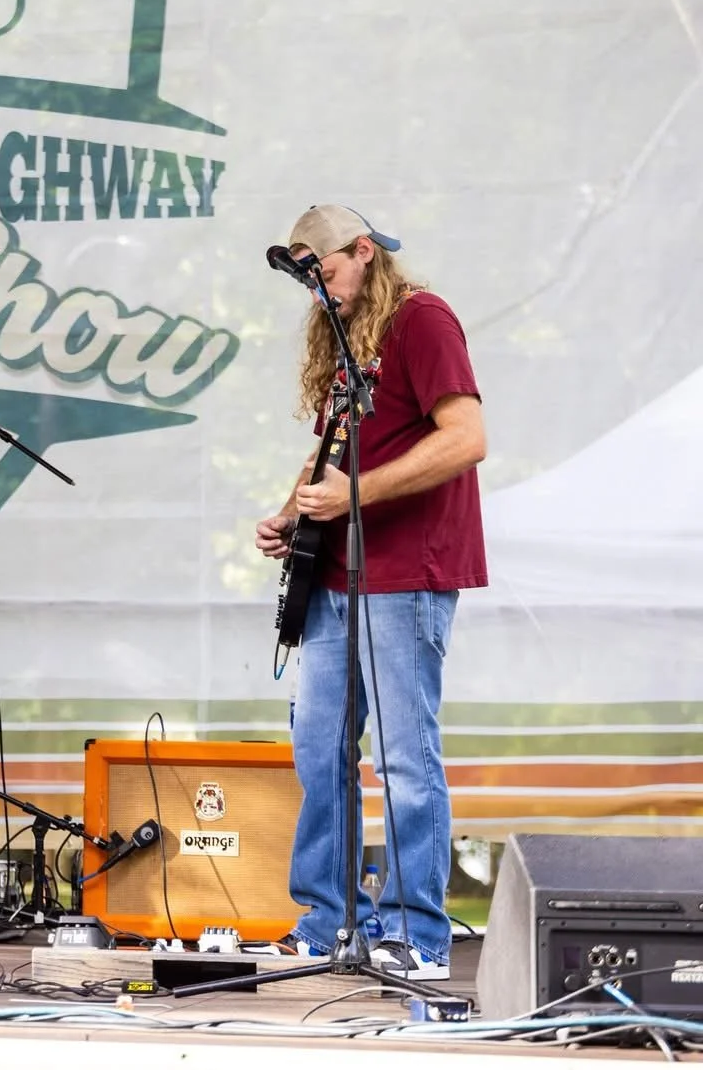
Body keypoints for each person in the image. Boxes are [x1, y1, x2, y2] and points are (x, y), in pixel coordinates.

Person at [254, 204, 485, 983]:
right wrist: (293, 514)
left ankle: (419, 936)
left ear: (362, 252)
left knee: (402, 757)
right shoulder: (344, 333)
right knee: (319, 749)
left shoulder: (423, 321)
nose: (318, 293)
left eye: (324, 273)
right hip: (332, 574)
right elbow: (334, 459)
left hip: (405, 573)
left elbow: (466, 438)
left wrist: (355, 495)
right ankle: (326, 922)